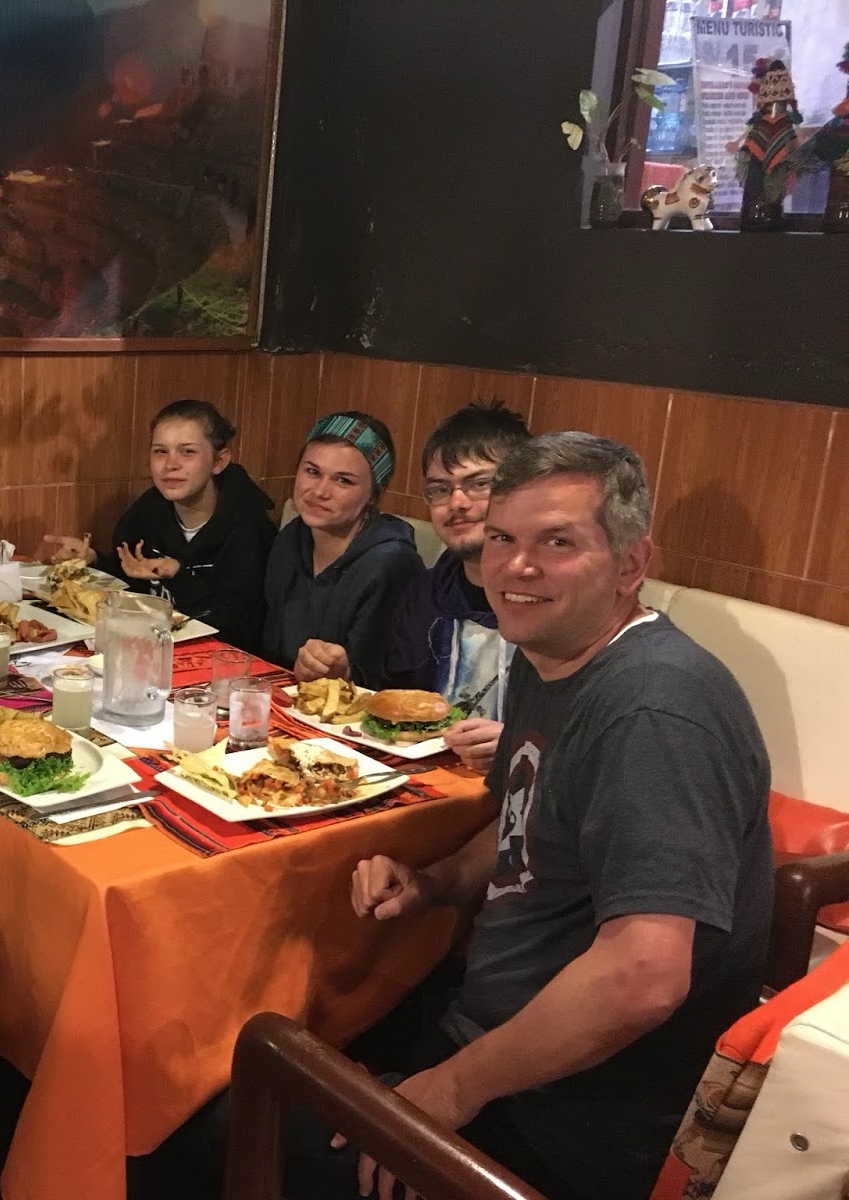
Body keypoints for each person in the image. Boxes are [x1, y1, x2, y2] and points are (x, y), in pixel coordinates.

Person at [333, 432, 771, 1200]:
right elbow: (521, 820)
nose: (516, 566)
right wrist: (432, 882)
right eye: (503, 538)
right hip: (485, 1036)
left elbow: (643, 977)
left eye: (557, 542)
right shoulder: (552, 651)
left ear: (631, 565)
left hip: (573, 1121)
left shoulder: (653, 712)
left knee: (220, 1129)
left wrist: (451, 1089)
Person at [39, 399, 276, 652]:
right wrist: (92, 560)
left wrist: (177, 576)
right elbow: (130, 585)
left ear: (219, 461)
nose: (171, 464)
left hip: (222, 661)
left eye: (187, 452)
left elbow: (239, 628)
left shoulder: (250, 528)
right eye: (160, 451)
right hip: (149, 652)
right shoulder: (148, 511)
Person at [381, 402, 529, 772]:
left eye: (479, 484)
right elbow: (394, 700)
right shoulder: (424, 596)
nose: (457, 503)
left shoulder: (553, 601)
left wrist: (516, 744)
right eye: (440, 489)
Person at [261, 411, 421, 684]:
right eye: (312, 472)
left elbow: (382, 679)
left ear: (374, 495)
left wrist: (339, 671)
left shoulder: (391, 563)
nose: (320, 491)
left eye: (343, 480)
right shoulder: (291, 537)